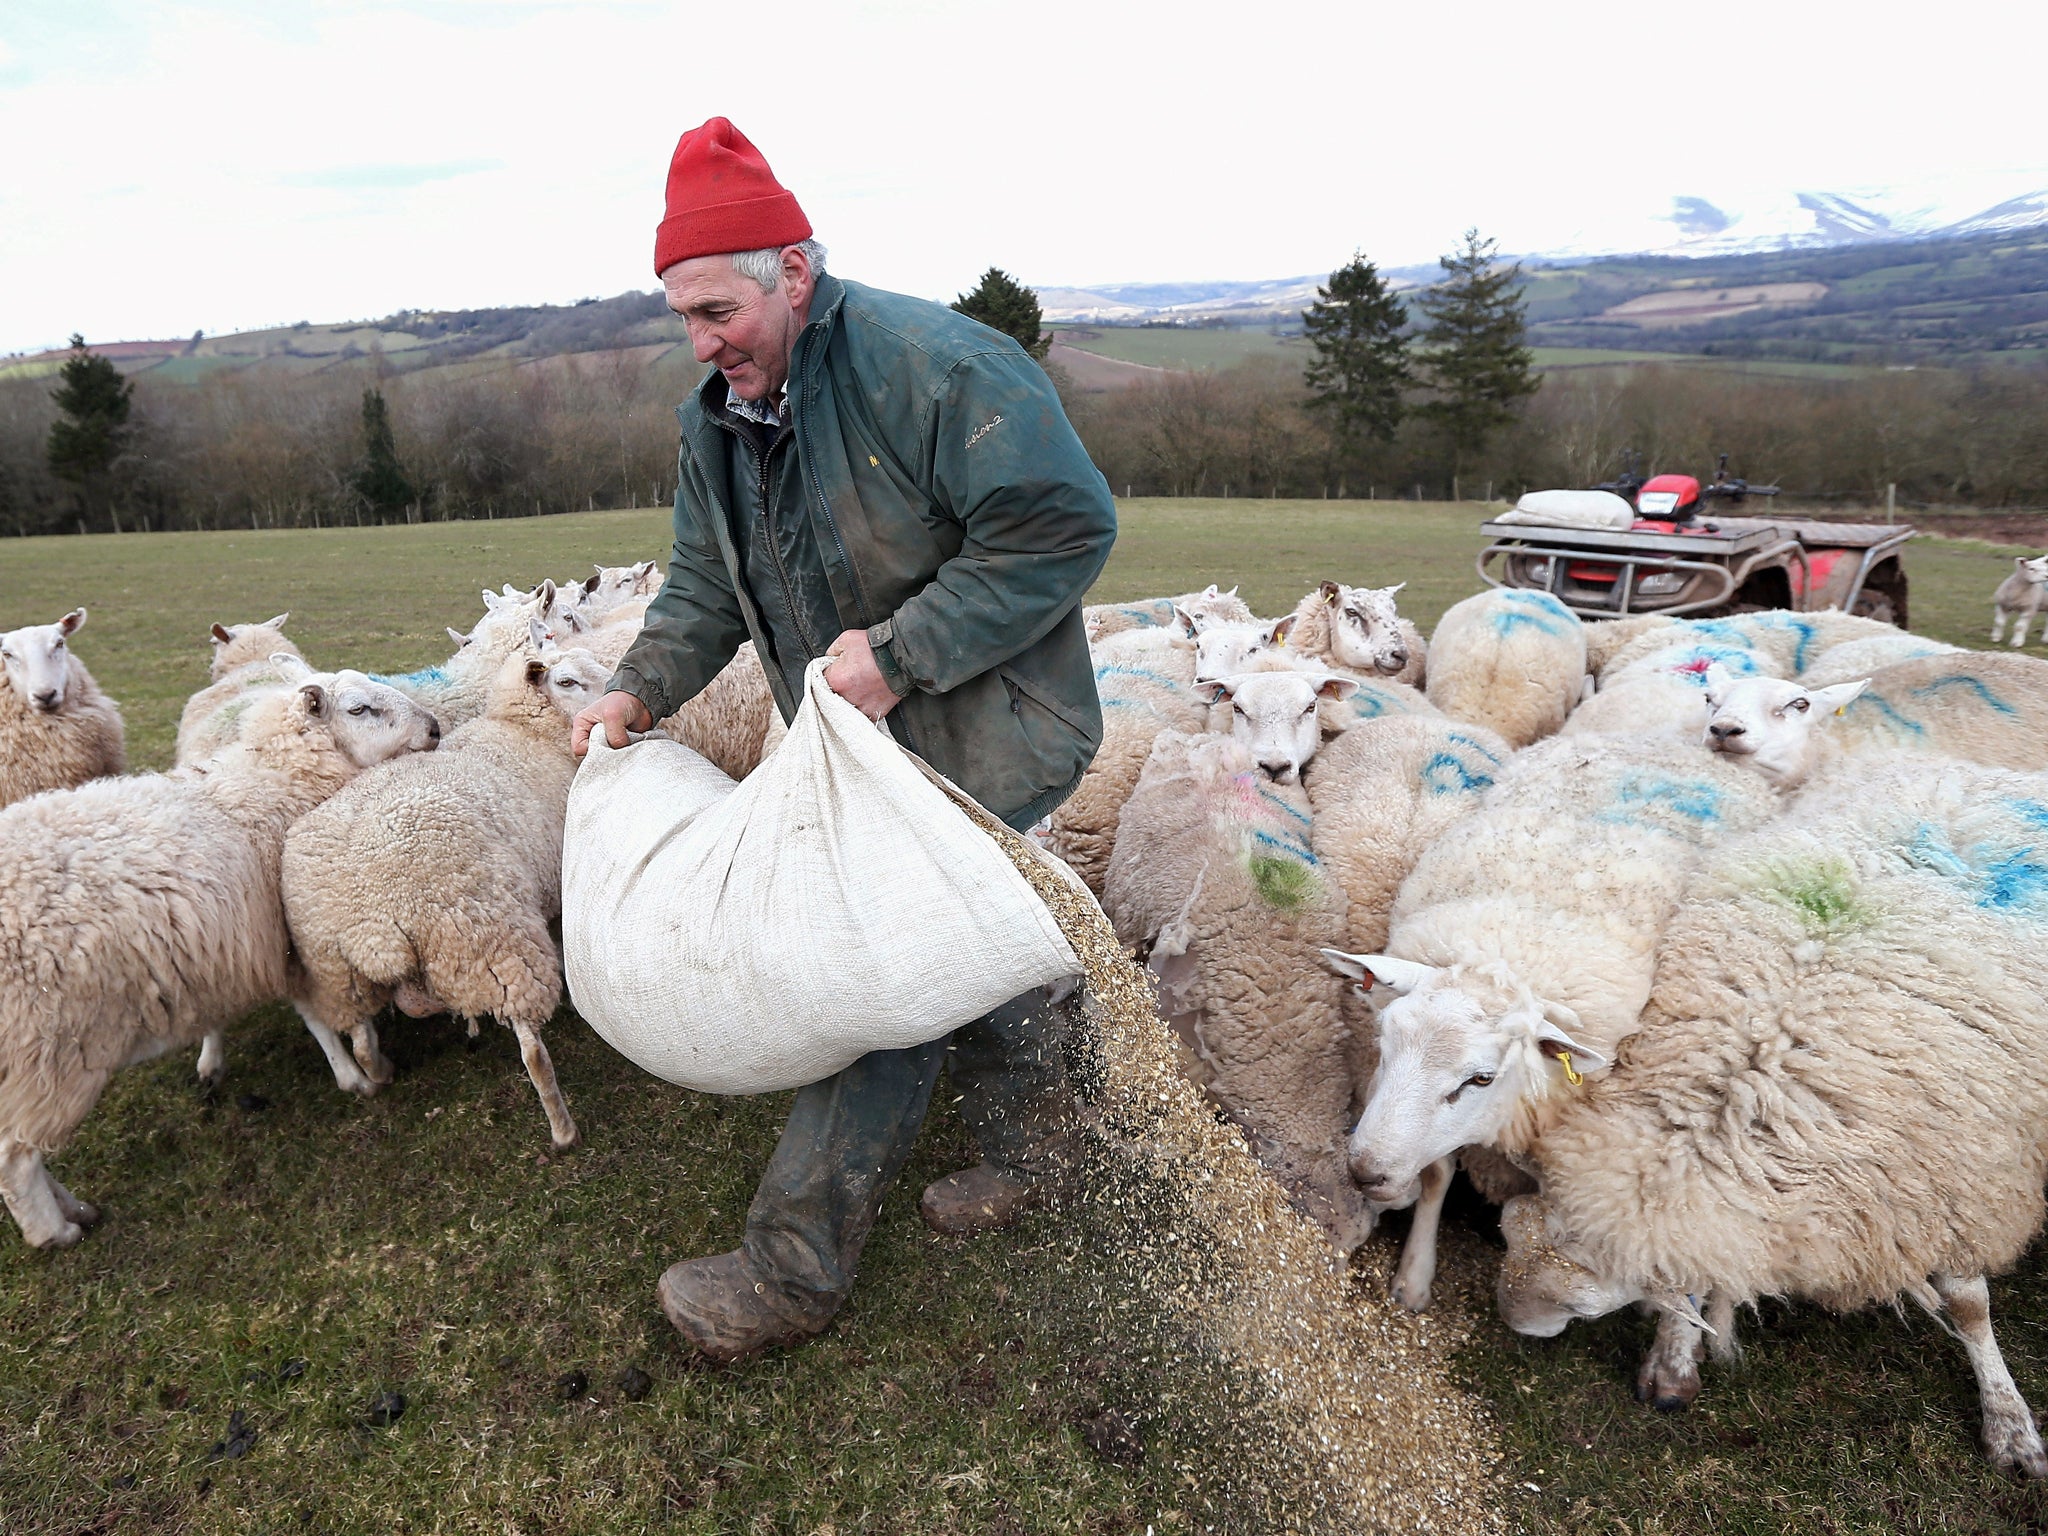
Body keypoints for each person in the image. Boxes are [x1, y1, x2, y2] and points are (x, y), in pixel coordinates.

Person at [570, 118, 1117, 1364]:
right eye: (683, 319)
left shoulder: (937, 369)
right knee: (963, 938)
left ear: (794, 274)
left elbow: (1059, 530)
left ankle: (789, 1270)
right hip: (858, 738)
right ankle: (1049, 1149)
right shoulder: (715, 422)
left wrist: (902, 653)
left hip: (991, 718)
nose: (703, 342)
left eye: (718, 309)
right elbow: (703, 589)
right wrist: (637, 693)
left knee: (871, 968)